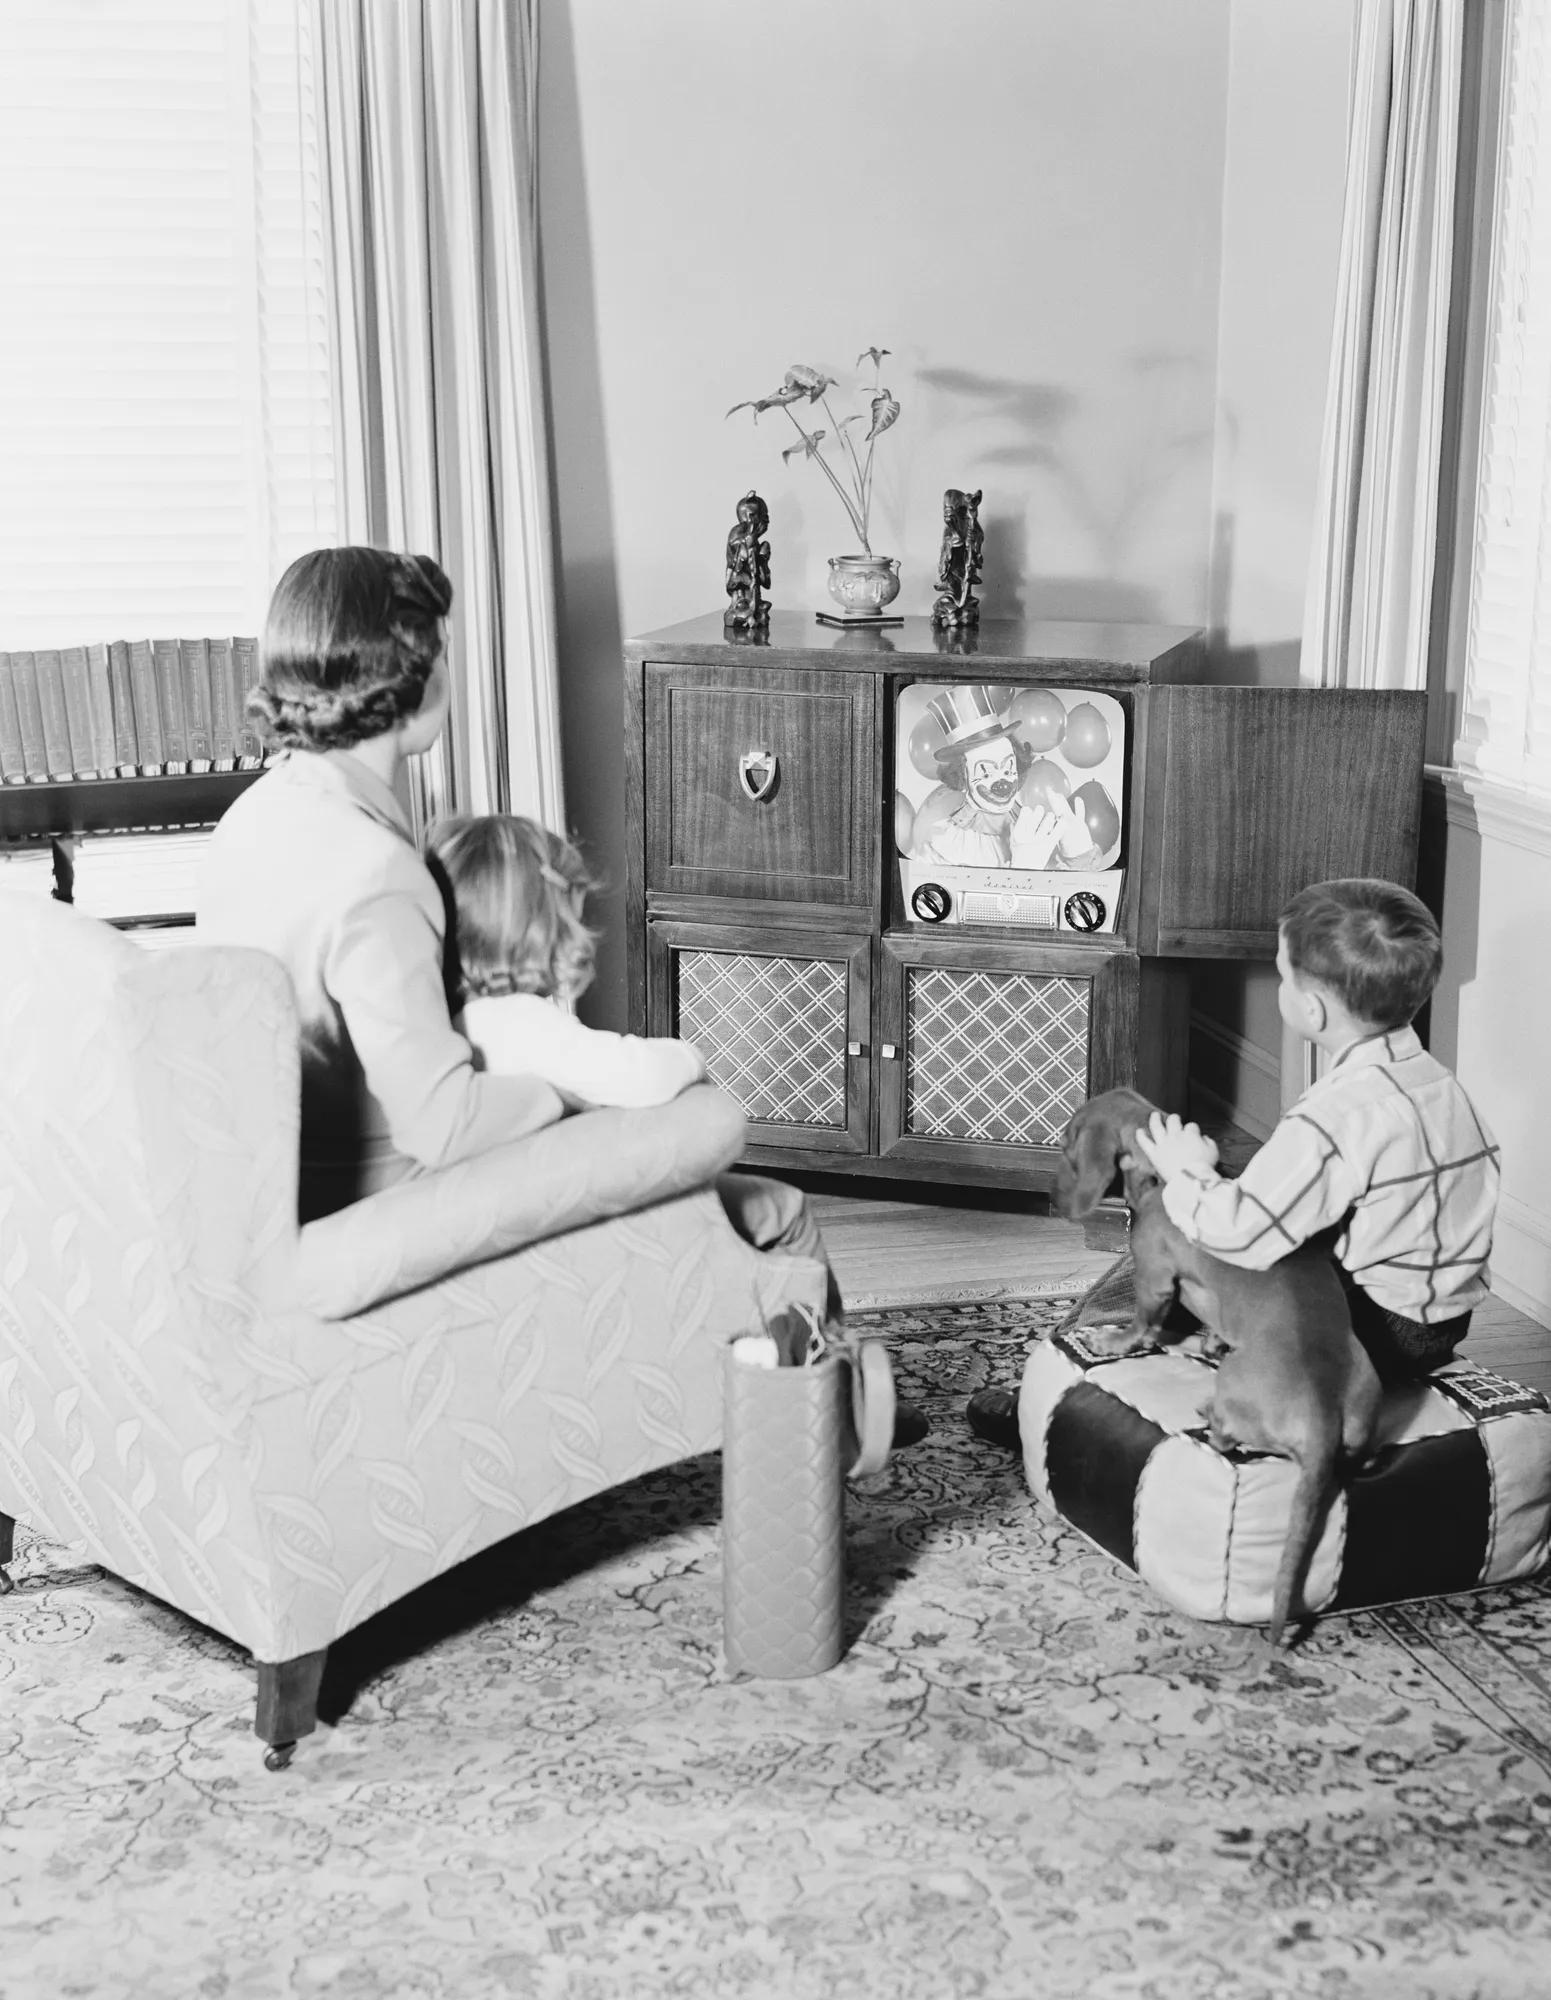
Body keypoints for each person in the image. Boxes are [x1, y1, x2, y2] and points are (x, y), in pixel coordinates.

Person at [1132, 877, 1500, 1384]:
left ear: (1312, 1010)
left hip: (1369, 1333)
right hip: (1441, 1325)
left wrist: (1186, 1171)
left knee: (1166, 1224)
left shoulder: (1333, 1116)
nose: (1280, 986)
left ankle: (1086, 1359)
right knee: (1239, 1188)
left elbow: (1241, 1236)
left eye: (1283, 977)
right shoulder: (1443, 1086)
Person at [424, 812, 707, 1109]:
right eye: (575, 917)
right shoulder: (519, 1022)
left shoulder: (454, 1019)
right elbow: (640, 1077)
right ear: (544, 927)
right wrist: (690, 1057)